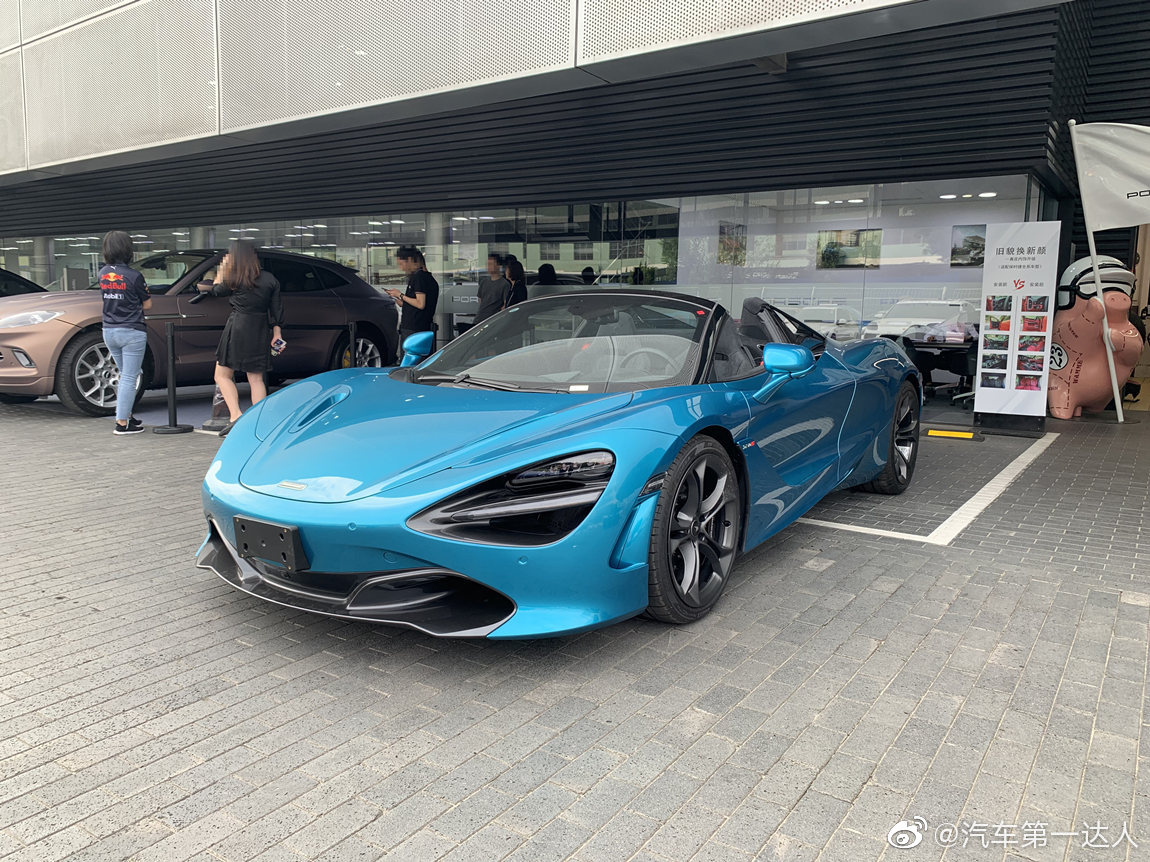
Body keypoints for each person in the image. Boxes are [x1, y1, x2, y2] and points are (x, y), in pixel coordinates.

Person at [197, 240, 284, 436]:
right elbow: (277, 309)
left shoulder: (234, 278)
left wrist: (222, 267)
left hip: (237, 327)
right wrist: (277, 334)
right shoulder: (270, 279)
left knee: (221, 375)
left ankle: (236, 415)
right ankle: (258, 421)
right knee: (256, 378)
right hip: (260, 328)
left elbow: (216, 290)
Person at [99, 231, 151, 435]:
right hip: (132, 332)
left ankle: (127, 415)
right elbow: (148, 304)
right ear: (128, 250)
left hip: (109, 330)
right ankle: (122, 423)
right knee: (130, 376)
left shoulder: (102, 273)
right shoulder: (134, 276)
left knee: (128, 375)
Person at [387, 245, 439, 345]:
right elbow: (417, 303)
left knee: (413, 358)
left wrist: (400, 295)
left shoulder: (419, 277)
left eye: (401, 264)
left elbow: (420, 304)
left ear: (409, 260)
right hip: (419, 326)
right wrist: (401, 301)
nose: (401, 268)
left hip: (415, 328)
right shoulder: (427, 278)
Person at [473, 252, 509, 324]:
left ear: (498, 266)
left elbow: (505, 304)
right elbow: (480, 300)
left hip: (493, 321)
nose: (488, 267)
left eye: (491, 264)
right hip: (479, 319)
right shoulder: (484, 282)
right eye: (487, 264)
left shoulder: (504, 284)